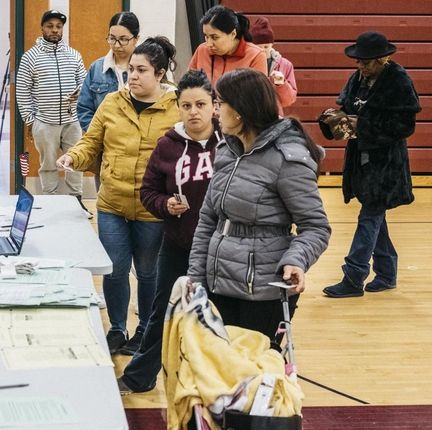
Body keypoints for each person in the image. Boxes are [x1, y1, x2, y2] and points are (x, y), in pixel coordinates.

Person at [57, 37, 181, 355]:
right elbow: (91, 142)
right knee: (114, 268)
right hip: (112, 202)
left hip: (153, 209)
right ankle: (116, 328)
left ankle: (144, 330)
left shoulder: (177, 108)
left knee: (148, 271)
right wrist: (73, 157)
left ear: (161, 73)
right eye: (130, 70)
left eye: (141, 70)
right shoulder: (113, 102)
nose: (133, 76)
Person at [188, 68, 331, 341]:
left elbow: (316, 227)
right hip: (218, 285)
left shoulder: (288, 158)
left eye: (221, 104)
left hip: (264, 292)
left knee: (255, 376)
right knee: (219, 373)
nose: (216, 111)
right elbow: (208, 219)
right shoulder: (226, 150)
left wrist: (295, 260)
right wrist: (196, 277)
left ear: (240, 110)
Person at [118, 69, 222, 394]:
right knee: (160, 313)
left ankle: (215, 381)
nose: (194, 112)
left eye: (201, 104)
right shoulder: (168, 145)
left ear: (214, 106)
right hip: (177, 245)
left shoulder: (230, 142)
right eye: (187, 105)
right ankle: (139, 377)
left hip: (220, 249)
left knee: (218, 316)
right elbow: (148, 191)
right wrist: (165, 205)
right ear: (178, 106)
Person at [321, 32, 419, 298]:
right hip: (361, 159)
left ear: (382, 59)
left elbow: (405, 126)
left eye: (366, 61)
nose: (360, 65)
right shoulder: (358, 79)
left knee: (370, 215)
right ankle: (387, 274)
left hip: (386, 163)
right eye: (358, 61)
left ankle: (353, 277)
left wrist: (362, 126)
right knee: (375, 217)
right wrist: (334, 119)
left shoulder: (399, 81)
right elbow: (346, 107)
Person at [15, 9, 90, 215]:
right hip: (44, 122)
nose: (55, 30)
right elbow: (22, 90)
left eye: (58, 26)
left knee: (75, 160)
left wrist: (80, 94)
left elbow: (84, 83)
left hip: (72, 121)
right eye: (50, 26)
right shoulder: (30, 57)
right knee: (48, 164)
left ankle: (77, 203)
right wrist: (30, 120)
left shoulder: (74, 55)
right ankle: (51, 203)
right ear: (42, 28)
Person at [77, 11, 140, 190]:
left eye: (123, 39)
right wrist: (99, 134)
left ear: (136, 39)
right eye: (112, 39)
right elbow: (84, 108)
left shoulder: (148, 67)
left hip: (140, 149)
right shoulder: (97, 68)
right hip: (107, 150)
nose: (116, 45)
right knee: (106, 201)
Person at [188, 5, 266, 86]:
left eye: (215, 37)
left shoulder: (256, 55)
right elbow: (187, 86)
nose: (208, 44)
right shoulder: (202, 50)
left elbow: (258, 95)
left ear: (233, 34)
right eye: (206, 36)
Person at [250, 17, 297, 108]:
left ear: (272, 45)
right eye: (258, 47)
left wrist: (281, 84)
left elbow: (290, 100)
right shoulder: (246, 62)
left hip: (274, 115)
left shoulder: (285, 65)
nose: (262, 50)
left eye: (266, 47)